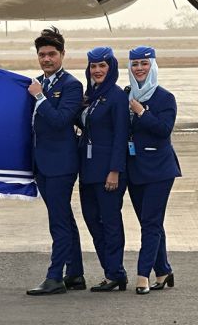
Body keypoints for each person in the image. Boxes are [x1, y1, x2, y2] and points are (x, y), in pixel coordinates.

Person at [25, 28, 86, 296]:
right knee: (65, 220)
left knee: (58, 222)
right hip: (42, 164)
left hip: (61, 164)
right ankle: (75, 273)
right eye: (42, 55)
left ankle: (55, 277)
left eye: (52, 54)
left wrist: (40, 97)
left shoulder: (71, 85)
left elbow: (61, 121)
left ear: (62, 55)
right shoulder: (37, 82)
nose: (47, 59)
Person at [125, 46, 181, 294]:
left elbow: (164, 130)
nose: (139, 68)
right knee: (152, 222)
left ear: (153, 66)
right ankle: (163, 270)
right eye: (135, 64)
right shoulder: (126, 95)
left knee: (150, 223)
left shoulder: (165, 98)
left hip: (160, 170)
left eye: (144, 64)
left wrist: (142, 113)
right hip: (135, 169)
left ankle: (142, 275)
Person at [78, 46, 130, 292]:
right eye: (93, 66)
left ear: (111, 68)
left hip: (108, 172)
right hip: (88, 169)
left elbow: (121, 135)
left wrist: (115, 170)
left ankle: (116, 272)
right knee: (91, 219)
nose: (97, 70)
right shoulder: (92, 96)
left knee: (110, 222)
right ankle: (110, 269)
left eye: (102, 66)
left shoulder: (116, 97)